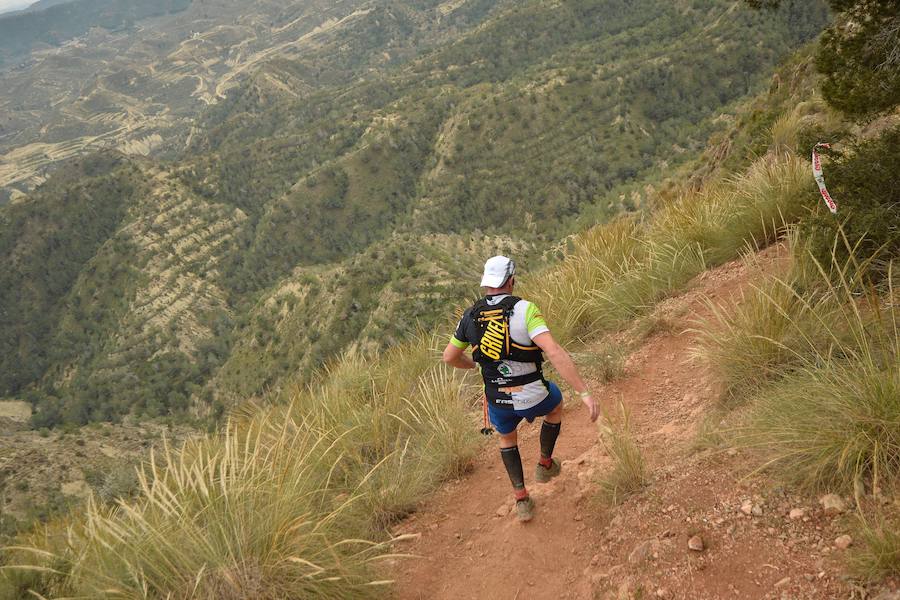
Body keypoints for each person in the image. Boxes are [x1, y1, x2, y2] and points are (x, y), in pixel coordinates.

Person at [442, 255, 599, 522]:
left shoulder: (468, 316)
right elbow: (553, 350)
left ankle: (521, 498)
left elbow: (449, 357)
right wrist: (584, 393)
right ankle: (545, 464)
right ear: (511, 281)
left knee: (506, 438)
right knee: (556, 405)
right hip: (534, 394)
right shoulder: (526, 310)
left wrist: (474, 366)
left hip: (497, 400)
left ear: (486, 284)